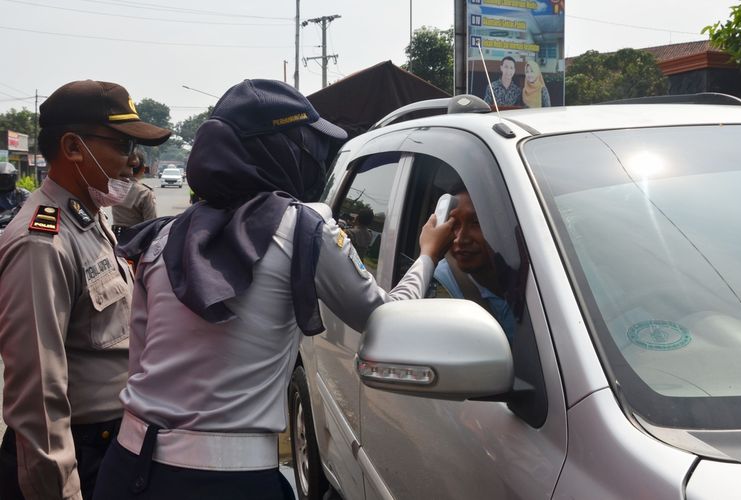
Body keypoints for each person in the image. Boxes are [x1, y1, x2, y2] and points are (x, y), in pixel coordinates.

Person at [92, 79, 454, 500]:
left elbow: (139, 364)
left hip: (127, 465)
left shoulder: (161, 238)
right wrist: (428, 255)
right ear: (280, 151)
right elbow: (388, 320)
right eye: (304, 146)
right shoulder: (303, 229)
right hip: (228, 481)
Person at [0, 80, 171, 500]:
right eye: (123, 144)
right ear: (74, 148)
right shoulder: (42, 241)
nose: (134, 162)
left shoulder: (90, 220)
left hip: (109, 440)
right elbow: (37, 397)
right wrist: (61, 490)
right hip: (74, 453)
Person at [433, 187, 516, 340]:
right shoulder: (438, 284)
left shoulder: (533, 280)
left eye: (476, 222)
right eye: (455, 224)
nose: (461, 239)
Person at [111, 150, 157, 238]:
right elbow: (151, 224)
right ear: (143, 169)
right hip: (136, 240)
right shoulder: (144, 192)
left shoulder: (115, 186)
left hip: (115, 237)